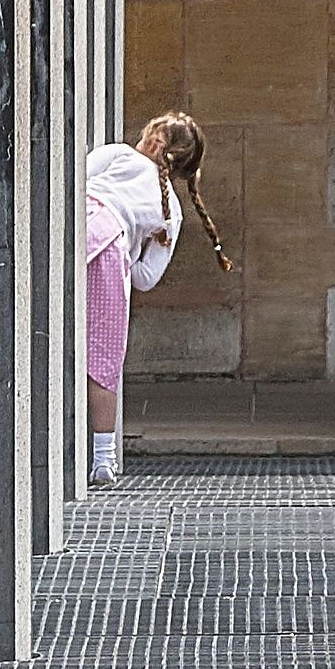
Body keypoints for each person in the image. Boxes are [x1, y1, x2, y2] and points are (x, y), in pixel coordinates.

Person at [84, 111, 233, 487]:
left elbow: (76, 179)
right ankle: (104, 456)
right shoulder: (172, 213)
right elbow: (146, 279)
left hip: (81, 223)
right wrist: (128, 247)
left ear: (150, 136)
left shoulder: (119, 154)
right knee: (103, 359)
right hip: (112, 249)